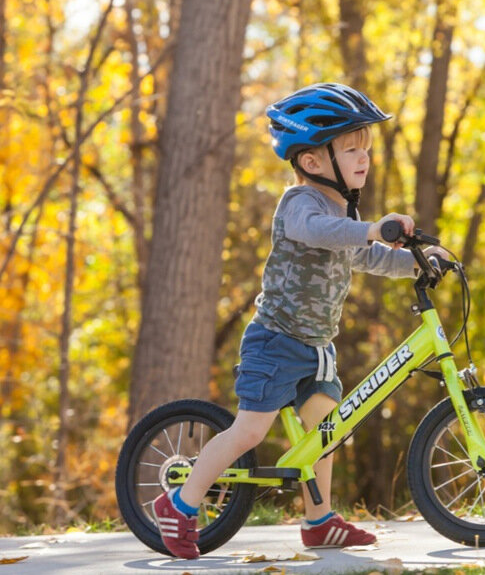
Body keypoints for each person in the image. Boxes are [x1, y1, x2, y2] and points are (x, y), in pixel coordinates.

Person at [151, 82, 448, 559]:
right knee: (249, 431)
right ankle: (180, 505)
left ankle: (319, 521)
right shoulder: (301, 206)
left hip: (315, 347)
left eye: (365, 149)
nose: (364, 158)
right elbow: (318, 233)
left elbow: (366, 256)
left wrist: (419, 261)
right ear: (312, 162)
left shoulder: (342, 214)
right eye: (351, 149)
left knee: (326, 429)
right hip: (275, 341)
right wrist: (371, 227)